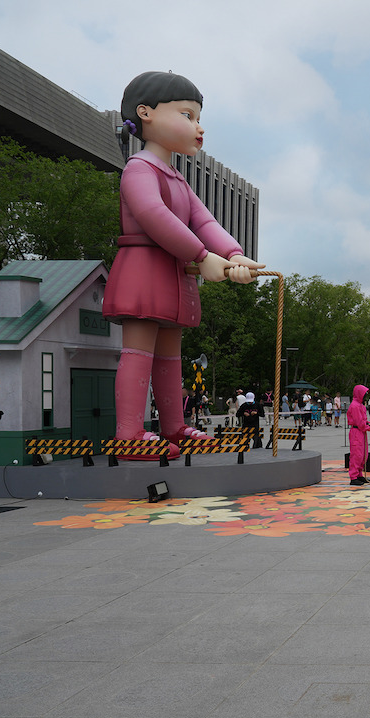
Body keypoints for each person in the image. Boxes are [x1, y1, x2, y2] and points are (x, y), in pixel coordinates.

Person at [104, 72, 261, 460]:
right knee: (139, 350)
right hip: (145, 270)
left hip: (174, 275)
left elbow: (204, 221)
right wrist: (202, 256)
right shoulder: (140, 169)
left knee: (170, 355)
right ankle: (128, 433)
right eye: (188, 115)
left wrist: (233, 253)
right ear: (146, 113)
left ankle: (175, 427)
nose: (198, 127)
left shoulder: (178, 179)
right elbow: (154, 215)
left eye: (198, 117)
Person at [347, 384, 370, 486]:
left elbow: (364, 420)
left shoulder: (361, 405)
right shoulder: (355, 406)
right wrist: (368, 428)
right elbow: (359, 422)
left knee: (363, 454)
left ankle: (359, 474)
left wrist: (368, 425)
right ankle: (353, 477)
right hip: (357, 432)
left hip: (362, 432)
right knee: (356, 454)